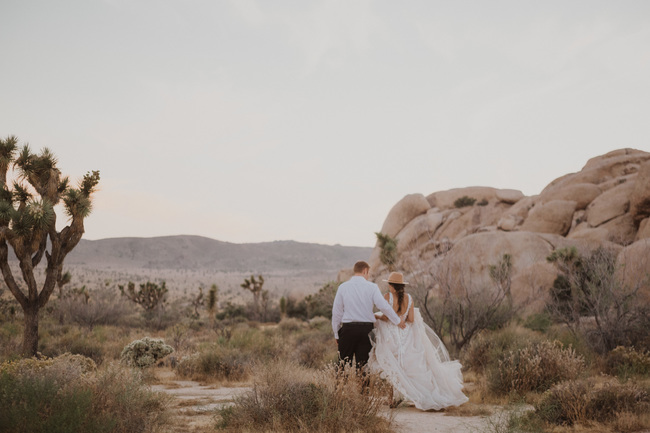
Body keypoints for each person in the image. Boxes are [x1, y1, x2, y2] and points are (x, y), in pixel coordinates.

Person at [368, 271, 469, 410]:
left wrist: (377, 317)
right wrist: (401, 319)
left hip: (391, 336)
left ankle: (392, 399)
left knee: (393, 366)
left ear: (392, 286)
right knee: (410, 367)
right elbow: (411, 320)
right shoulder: (409, 298)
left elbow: (386, 317)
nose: (388, 287)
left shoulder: (387, 297)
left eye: (389, 285)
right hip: (406, 335)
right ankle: (409, 396)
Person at [332, 261, 406, 370]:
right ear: (365, 271)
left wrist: (337, 333)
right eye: (368, 273)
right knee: (363, 368)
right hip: (366, 331)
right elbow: (384, 307)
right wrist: (397, 321)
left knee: (342, 366)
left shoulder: (343, 287)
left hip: (348, 330)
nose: (368, 276)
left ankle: (341, 387)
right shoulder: (372, 287)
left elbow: (336, 313)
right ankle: (363, 387)